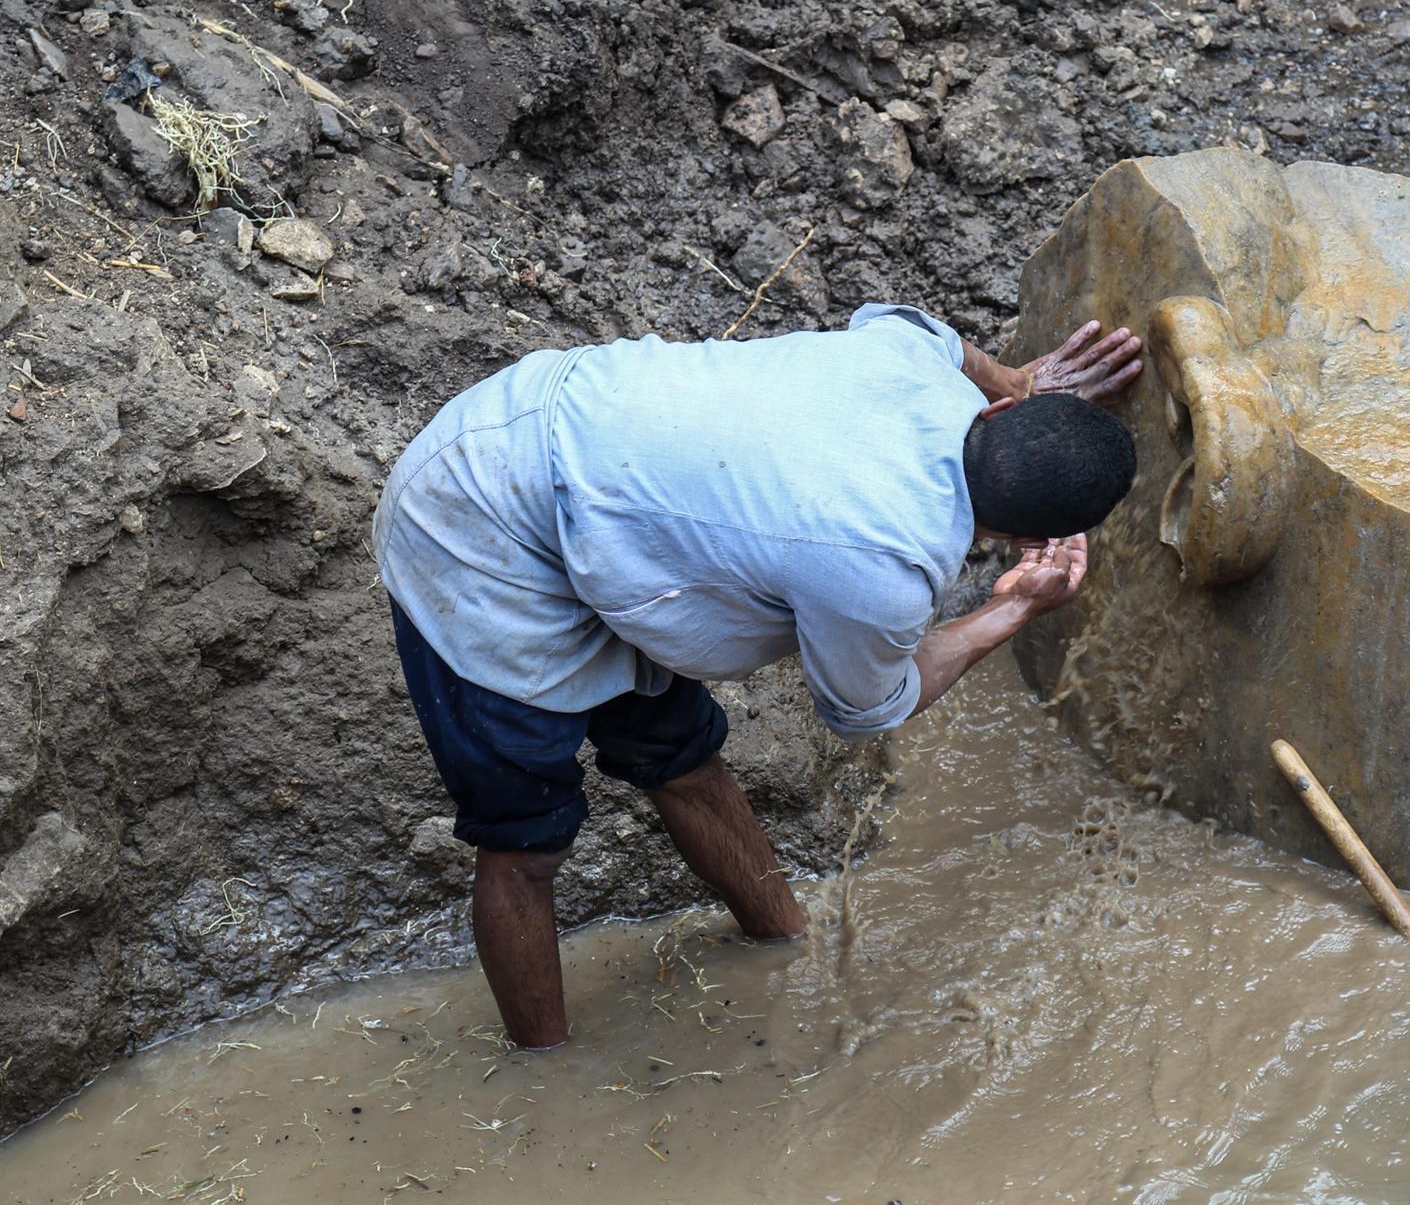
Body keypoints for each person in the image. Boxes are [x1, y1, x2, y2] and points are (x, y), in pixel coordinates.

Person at [373, 304, 1142, 1047]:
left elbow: (908, 320)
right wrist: (1010, 615)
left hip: (592, 464)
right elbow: (869, 706)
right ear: (1028, 538)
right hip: (477, 519)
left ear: (999, 418)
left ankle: (784, 941)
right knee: (525, 840)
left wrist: (1012, 379)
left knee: (684, 761)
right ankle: (543, 1071)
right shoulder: (881, 568)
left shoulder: (910, 362)